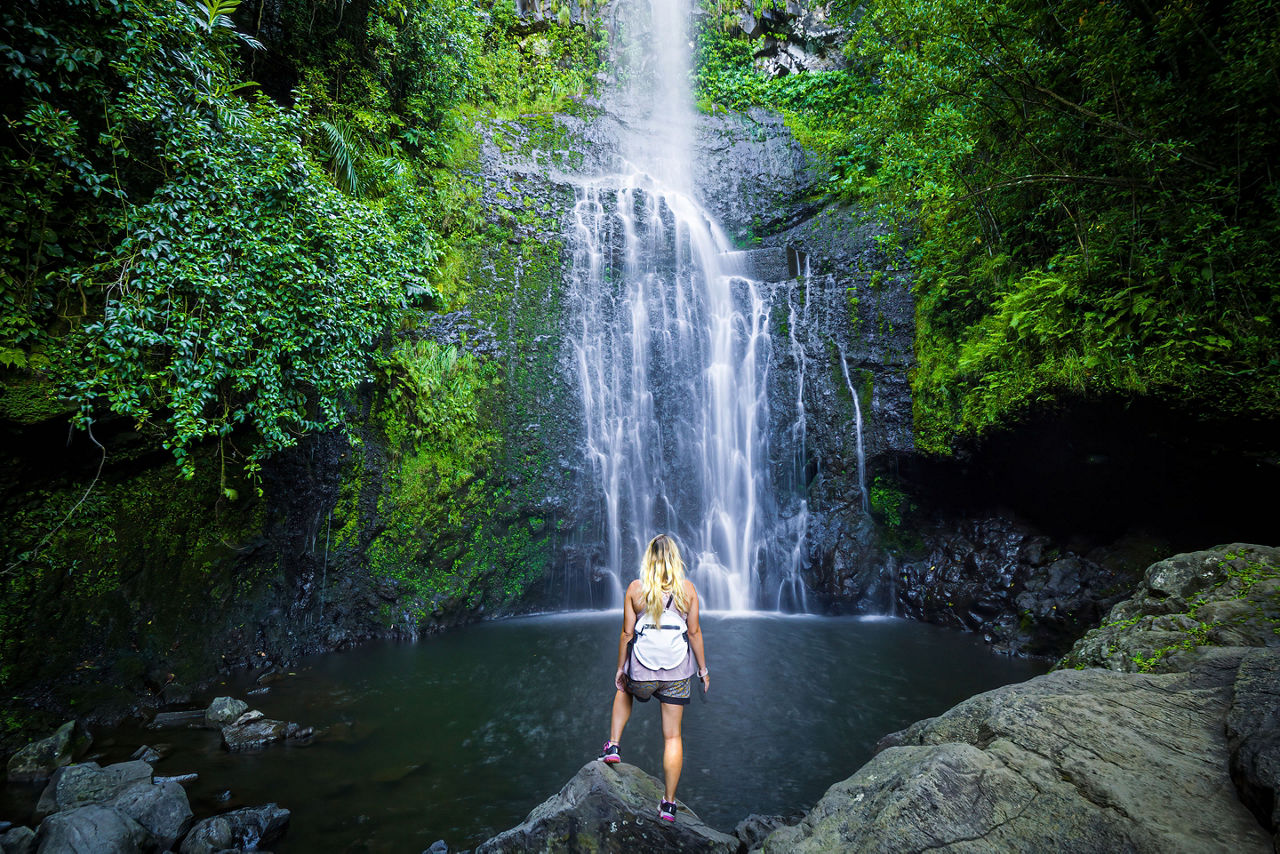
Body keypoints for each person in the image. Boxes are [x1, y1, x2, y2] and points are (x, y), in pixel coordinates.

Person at [599, 533, 709, 823]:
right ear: (675, 558)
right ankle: (669, 805)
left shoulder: (636, 589)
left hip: (643, 672)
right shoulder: (687, 590)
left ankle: (613, 745)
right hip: (676, 673)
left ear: (648, 559)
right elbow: (695, 633)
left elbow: (627, 633)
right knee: (673, 736)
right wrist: (703, 671)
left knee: (624, 688)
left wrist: (621, 668)